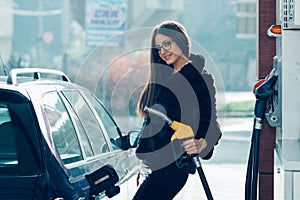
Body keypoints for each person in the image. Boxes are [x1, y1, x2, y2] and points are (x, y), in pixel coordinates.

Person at [133, 20, 221, 200]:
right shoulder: (163, 76)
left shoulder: (199, 79)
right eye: (158, 47)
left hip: (173, 166)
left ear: (181, 41)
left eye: (167, 44)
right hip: (156, 167)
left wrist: (202, 143)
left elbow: (212, 123)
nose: (163, 51)